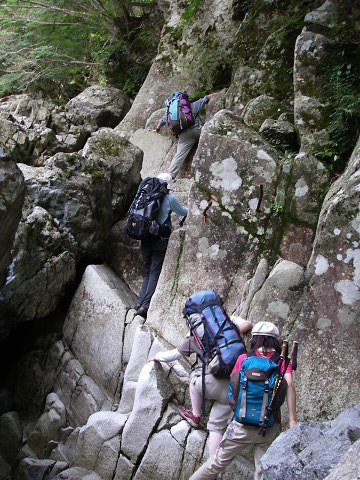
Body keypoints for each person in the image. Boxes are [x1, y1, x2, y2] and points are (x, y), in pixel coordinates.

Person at [189, 321, 297, 480]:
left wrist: (235, 412)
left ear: (254, 339)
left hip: (241, 426)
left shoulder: (244, 358)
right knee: (262, 471)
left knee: (216, 463)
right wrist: (293, 419)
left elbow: (234, 387)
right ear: (276, 341)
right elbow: (289, 385)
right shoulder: (282, 362)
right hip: (269, 425)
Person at [148, 316, 252, 456]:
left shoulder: (193, 340)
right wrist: (228, 318)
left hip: (210, 385)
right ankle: (214, 468)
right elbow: (248, 324)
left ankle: (196, 416)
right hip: (234, 388)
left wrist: (156, 356)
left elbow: (172, 355)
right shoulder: (229, 334)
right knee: (216, 428)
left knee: (194, 376)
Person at [135, 172, 188, 319]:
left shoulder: (145, 196)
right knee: (154, 272)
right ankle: (145, 306)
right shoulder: (170, 199)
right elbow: (184, 212)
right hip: (160, 239)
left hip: (145, 237)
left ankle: (138, 303)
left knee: (147, 271)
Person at [154, 92, 215, 179]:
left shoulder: (170, 112)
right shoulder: (191, 106)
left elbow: (162, 121)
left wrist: (157, 129)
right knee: (210, 134)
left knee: (179, 155)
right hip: (197, 131)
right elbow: (206, 99)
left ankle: (170, 176)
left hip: (184, 136)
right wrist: (217, 94)